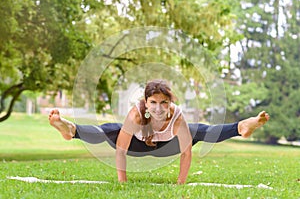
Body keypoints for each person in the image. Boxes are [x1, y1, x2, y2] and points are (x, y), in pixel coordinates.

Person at [49, 79, 269, 184]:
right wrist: (122, 182)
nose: (158, 108)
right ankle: (70, 129)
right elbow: (121, 151)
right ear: (146, 101)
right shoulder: (136, 115)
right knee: (110, 131)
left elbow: (185, 152)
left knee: (200, 130)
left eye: (164, 103)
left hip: (168, 147)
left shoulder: (176, 115)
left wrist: (181, 183)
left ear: (170, 102)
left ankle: (241, 127)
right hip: (135, 146)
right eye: (153, 102)